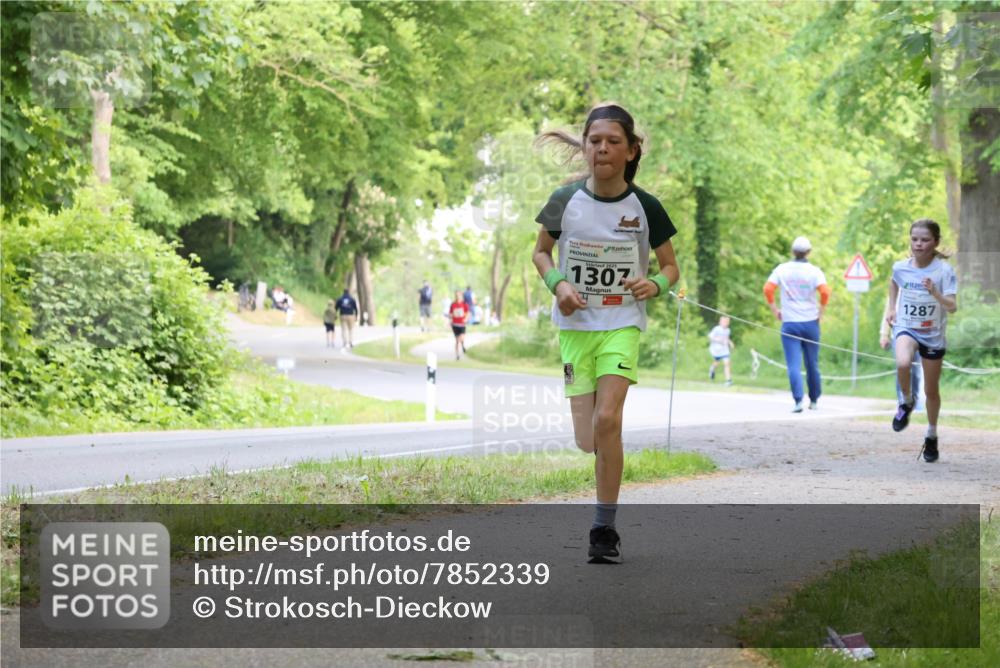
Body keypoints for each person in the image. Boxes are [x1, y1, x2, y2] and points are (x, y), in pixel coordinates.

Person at [533, 102, 679, 563]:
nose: (602, 149)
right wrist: (559, 286)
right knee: (588, 439)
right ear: (586, 147)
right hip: (576, 328)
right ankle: (604, 474)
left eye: (613, 141)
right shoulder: (564, 200)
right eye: (594, 140)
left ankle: (604, 528)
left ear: (631, 151)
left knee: (609, 420)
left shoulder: (645, 206)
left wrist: (654, 283)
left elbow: (672, 267)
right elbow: (541, 254)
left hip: (622, 324)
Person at [886, 219, 957, 463]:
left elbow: (952, 306)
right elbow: (894, 283)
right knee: (903, 363)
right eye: (914, 238)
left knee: (931, 390)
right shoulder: (900, 267)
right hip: (907, 327)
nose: (918, 244)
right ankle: (905, 401)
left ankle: (931, 434)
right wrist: (891, 308)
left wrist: (934, 293)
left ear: (935, 242)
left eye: (925, 239)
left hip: (933, 335)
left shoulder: (944, 271)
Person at [763, 236, 831, 413]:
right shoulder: (815, 271)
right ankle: (814, 400)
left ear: (793, 252)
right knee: (812, 364)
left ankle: (798, 401)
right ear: (809, 252)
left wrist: (774, 309)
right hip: (810, 322)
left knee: (793, 364)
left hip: (790, 322)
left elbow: (768, 289)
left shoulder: (782, 269)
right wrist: (821, 312)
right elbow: (825, 292)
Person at [880, 296, 923, 410]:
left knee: (916, 371)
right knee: (902, 367)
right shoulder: (897, 288)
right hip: (899, 335)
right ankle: (902, 402)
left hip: (919, 335)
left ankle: (916, 401)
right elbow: (888, 311)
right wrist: (884, 334)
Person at [708, 316, 734, 386]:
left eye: (727, 322)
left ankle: (728, 380)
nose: (725, 323)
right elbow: (710, 337)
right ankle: (712, 369)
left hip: (725, 350)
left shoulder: (728, 330)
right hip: (716, 350)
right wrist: (718, 340)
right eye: (724, 322)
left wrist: (730, 342)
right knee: (717, 362)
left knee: (727, 363)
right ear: (720, 322)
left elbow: (726, 338)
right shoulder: (717, 329)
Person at [448, 290, 470, 360]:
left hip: (462, 324)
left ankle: (463, 345)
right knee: (457, 340)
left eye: (459, 295)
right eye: (456, 295)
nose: (458, 296)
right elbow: (450, 313)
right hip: (455, 324)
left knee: (462, 338)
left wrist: (466, 319)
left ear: (461, 296)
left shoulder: (464, 304)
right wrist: (450, 320)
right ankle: (457, 355)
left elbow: (468, 313)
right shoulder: (453, 304)